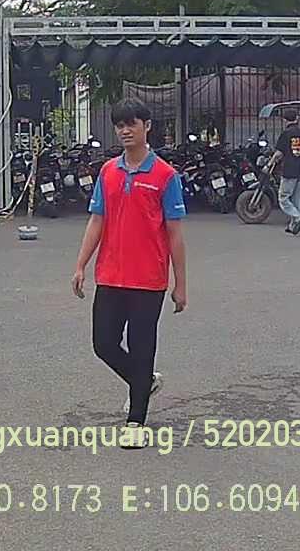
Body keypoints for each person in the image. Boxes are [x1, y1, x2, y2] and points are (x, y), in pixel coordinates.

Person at [72, 99, 187, 450]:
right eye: (120, 125)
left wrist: (181, 284)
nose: (125, 130)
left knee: (142, 348)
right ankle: (143, 382)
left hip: (148, 279)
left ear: (147, 126)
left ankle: (136, 421)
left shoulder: (165, 176)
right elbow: (97, 220)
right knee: (103, 344)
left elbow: (175, 234)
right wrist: (81, 264)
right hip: (110, 275)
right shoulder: (108, 172)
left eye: (131, 124)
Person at [270, 107, 300, 235]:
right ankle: (293, 226)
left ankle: (297, 217)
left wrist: (269, 163)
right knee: (296, 200)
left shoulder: (285, 134)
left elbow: (279, 153)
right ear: (297, 118)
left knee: (283, 198)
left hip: (289, 169)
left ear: (284, 120)